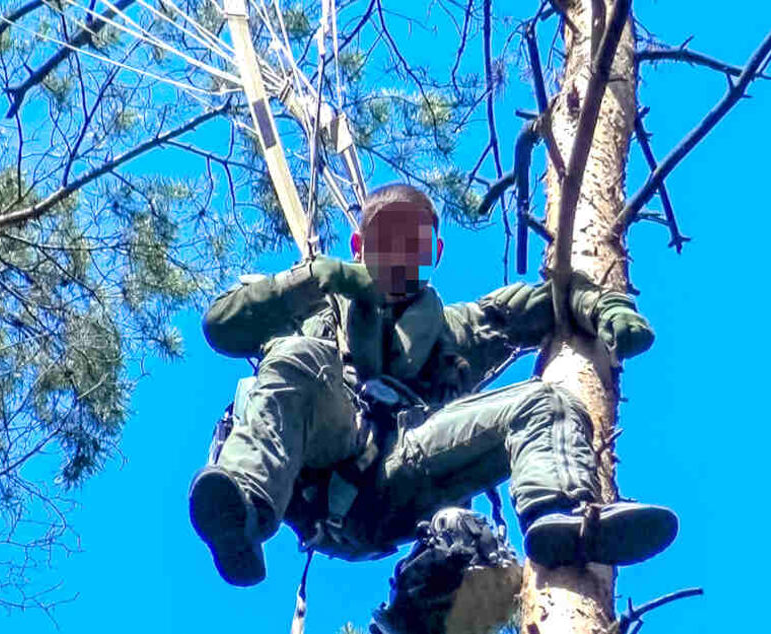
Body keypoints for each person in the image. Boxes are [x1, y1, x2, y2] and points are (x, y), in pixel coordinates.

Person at [189, 183, 677, 587]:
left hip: (402, 473)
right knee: (301, 357)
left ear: (433, 253)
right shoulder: (320, 304)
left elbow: (547, 300)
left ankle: (562, 519)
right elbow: (223, 327)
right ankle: (244, 511)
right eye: (385, 240)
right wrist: (314, 279)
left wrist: (604, 308)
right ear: (359, 247)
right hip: (321, 455)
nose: (399, 255)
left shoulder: (452, 330)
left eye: (414, 243)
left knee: (542, 402)